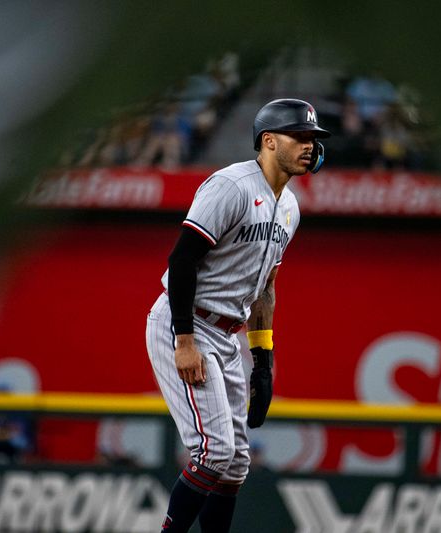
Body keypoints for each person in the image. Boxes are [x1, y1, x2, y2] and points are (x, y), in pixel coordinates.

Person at [145, 98, 330, 533]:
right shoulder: (232, 185)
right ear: (268, 141)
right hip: (187, 321)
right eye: (299, 137)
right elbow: (182, 259)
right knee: (213, 454)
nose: (309, 146)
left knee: (236, 465)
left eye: (312, 139)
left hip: (227, 336)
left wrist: (263, 363)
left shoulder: (290, 208)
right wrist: (184, 340)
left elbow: (264, 289)